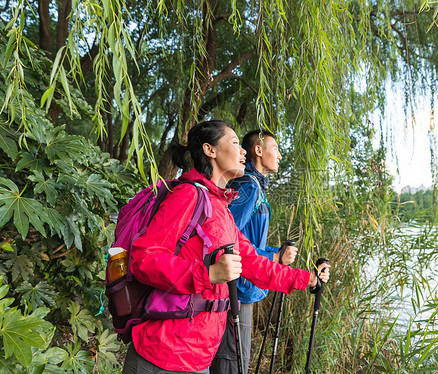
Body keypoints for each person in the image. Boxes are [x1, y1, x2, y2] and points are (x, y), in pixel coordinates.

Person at [122, 120, 330, 373]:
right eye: (234, 143)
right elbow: (144, 260)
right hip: (164, 352)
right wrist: (207, 274)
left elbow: (252, 263)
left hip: (198, 356)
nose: (243, 151)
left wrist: (306, 279)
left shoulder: (221, 207)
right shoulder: (188, 196)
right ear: (210, 150)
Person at [210, 130, 297, 374]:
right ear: (258, 150)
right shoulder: (248, 186)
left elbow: (244, 238)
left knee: (234, 356)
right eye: (275, 148)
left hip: (244, 283)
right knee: (235, 359)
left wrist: (274, 252)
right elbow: (226, 239)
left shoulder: (254, 185)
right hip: (237, 287)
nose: (279, 155)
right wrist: (274, 258)